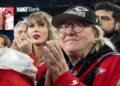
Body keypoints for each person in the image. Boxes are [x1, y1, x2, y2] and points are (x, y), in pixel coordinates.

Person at [37, 5, 120, 86]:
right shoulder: (47, 68)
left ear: (95, 33)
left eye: (79, 25)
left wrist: (64, 78)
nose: (69, 32)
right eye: (63, 26)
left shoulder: (116, 63)